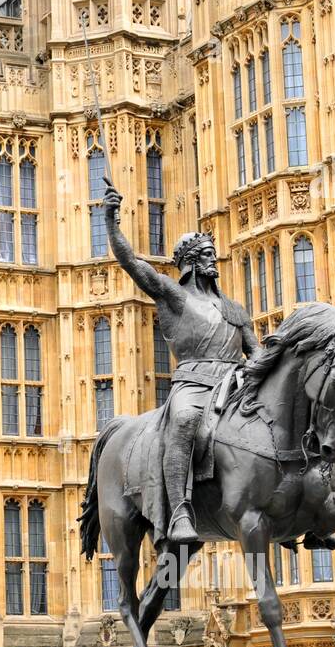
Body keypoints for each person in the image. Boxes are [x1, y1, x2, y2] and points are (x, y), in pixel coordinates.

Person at [102, 179, 258, 543]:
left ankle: (306, 506)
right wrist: (112, 223)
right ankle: (180, 512)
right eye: (205, 254)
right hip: (194, 385)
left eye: (212, 253)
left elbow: (258, 353)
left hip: (234, 387)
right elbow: (134, 265)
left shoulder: (234, 309)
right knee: (185, 420)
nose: (212, 259)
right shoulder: (174, 296)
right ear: (189, 262)